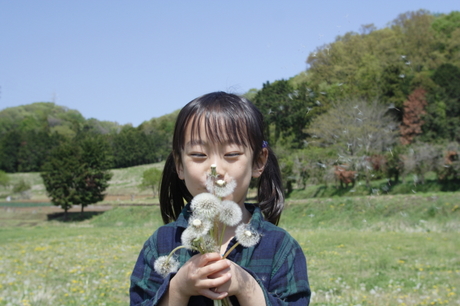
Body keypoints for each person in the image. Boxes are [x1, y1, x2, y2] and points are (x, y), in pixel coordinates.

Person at [130, 92, 310, 305]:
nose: (215, 170)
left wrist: (246, 286)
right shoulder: (161, 244)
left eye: (231, 154)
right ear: (179, 164)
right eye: (198, 155)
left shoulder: (281, 247)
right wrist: (178, 288)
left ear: (258, 162)